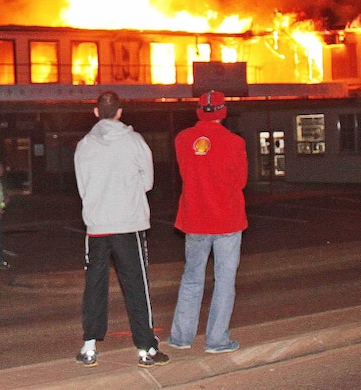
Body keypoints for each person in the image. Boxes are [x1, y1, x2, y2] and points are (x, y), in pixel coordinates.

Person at [73, 90, 169, 369]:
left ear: (95, 112)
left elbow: (82, 188)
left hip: (97, 225)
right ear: (120, 112)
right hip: (129, 224)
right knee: (136, 285)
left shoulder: (84, 145)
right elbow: (148, 182)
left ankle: (89, 347)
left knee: (95, 285)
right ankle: (146, 348)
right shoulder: (135, 142)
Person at [167, 90, 248, 354]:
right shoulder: (234, 142)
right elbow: (242, 181)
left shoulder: (182, 139)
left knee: (192, 278)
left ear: (199, 111)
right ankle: (216, 340)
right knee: (224, 281)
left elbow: (185, 173)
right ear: (223, 112)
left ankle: (181, 337)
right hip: (227, 220)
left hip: (195, 219)